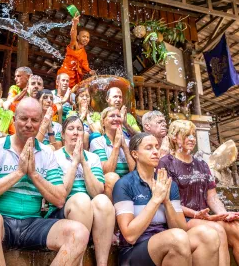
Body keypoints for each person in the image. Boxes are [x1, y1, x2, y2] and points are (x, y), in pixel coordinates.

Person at [0, 97, 89, 266]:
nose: (29, 124)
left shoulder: (46, 153)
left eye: (35, 120)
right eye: (23, 118)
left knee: (79, 233)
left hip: (32, 223)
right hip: (0, 222)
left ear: (41, 122)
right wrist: (19, 173)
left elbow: (59, 199)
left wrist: (34, 174)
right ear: (14, 119)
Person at [114, 132, 220, 266]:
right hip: (134, 251)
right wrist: (156, 199)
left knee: (208, 235)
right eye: (149, 148)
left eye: (156, 147)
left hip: (171, 241)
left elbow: (181, 228)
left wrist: (166, 201)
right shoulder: (124, 184)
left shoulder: (168, 184)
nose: (155, 152)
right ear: (135, 154)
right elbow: (130, 236)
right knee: (177, 238)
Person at [158, 120, 239, 266]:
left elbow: (212, 197)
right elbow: (167, 201)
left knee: (236, 228)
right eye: (186, 135)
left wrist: (225, 214)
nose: (192, 139)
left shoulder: (202, 164)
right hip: (182, 218)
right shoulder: (166, 163)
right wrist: (196, 214)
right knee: (217, 230)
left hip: (205, 217)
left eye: (193, 135)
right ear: (175, 138)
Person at [46, 116, 114, 265]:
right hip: (62, 211)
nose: (76, 133)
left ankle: (102, 263)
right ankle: (79, 262)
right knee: (82, 200)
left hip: (88, 211)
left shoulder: (93, 158)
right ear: (63, 135)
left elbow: (97, 192)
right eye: (71, 129)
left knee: (103, 201)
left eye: (79, 129)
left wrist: (83, 162)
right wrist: (75, 162)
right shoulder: (53, 157)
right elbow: (61, 193)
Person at [90, 107, 135, 200]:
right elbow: (106, 172)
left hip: (128, 184)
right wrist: (116, 146)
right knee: (111, 177)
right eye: (111, 116)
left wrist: (125, 148)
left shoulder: (128, 142)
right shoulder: (97, 142)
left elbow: (136, 172)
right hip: (109, 186)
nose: (116, 118)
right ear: (103, 122)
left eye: (118, 116)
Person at [57, 13, 96, 88]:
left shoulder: (84, 52)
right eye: (84, 36)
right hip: (65, 75)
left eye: (88, 37)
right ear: (78, 37)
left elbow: (84, 65)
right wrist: (74, 24)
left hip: (76, 79)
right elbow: (73, 35)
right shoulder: (74, 45)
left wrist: (90, 71)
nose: (86, 39)